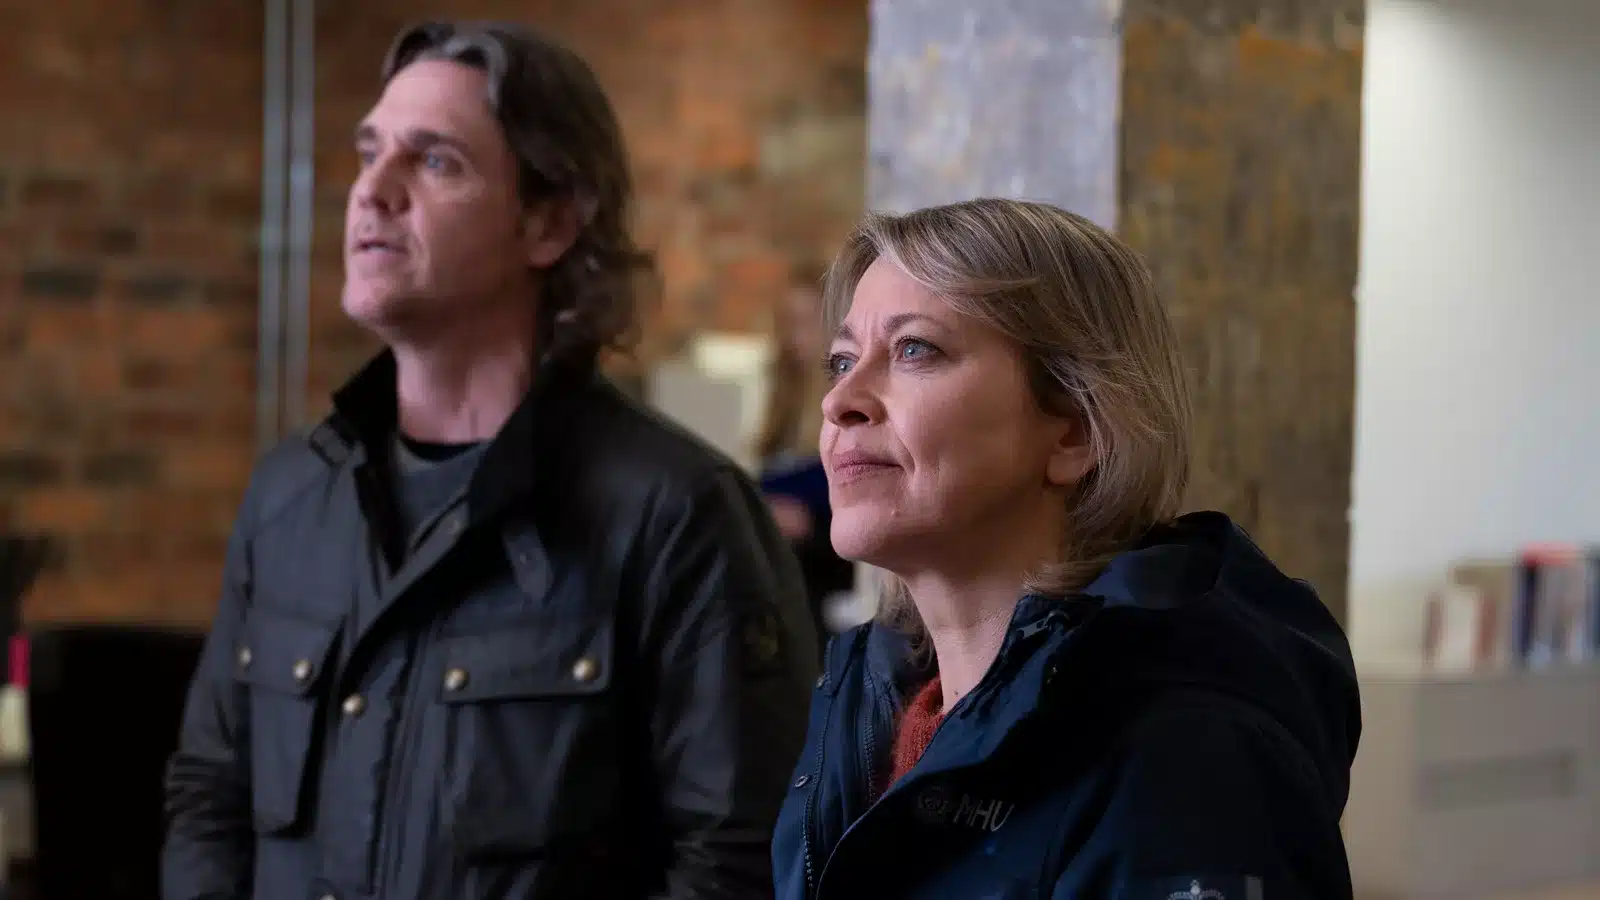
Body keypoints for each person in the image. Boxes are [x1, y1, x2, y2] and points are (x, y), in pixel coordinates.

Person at [163, 20, 818, 900]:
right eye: (371, 152)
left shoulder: (675, 516)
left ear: (549, 222)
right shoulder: (291, 497)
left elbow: (736, 859)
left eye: (435, 161)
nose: (372, 192)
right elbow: (210, 795)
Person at [770, 199, 1361, 899]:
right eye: (841, 360)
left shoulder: (1186, 753)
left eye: (915, 349)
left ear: (1075, 431)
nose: (840, 400)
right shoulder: (867, 701)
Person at [755, 263, 856, 649]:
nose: (795, 337)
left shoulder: (846, 412)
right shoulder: (781, 411)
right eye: (788, 322)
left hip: (826, 596)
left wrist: (806, 521)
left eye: (806, 322)